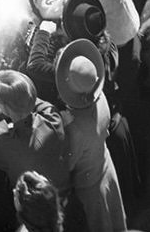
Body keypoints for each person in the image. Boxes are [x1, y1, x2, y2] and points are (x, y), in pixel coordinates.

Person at [54, 39, 126, 232]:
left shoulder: (74, 127)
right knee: (116, 214)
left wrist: (68, 125)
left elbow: (70, 163)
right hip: (105, 164)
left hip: (90, 183)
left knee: (100, 223)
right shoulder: (100, 97)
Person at [0, 69, 71, 191]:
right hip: (60, 190)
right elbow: (27, 99)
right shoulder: (53, 118)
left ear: (4, 108)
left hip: (30, 203)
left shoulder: (5, 144)